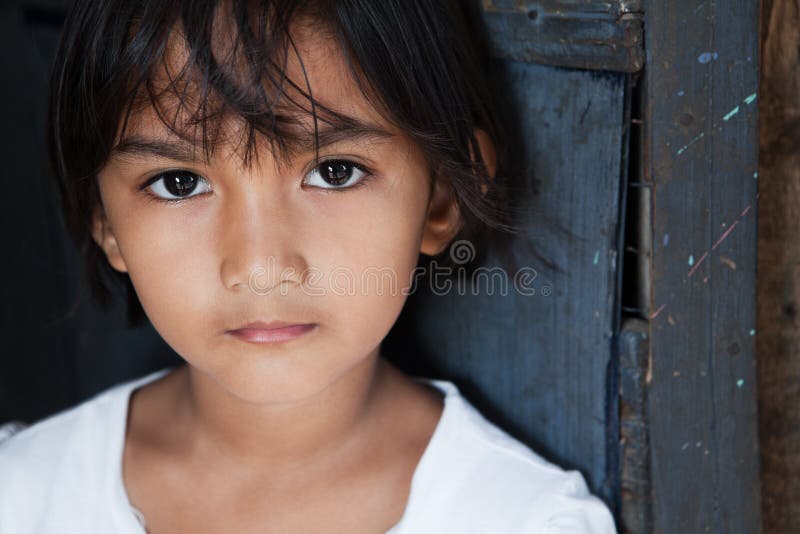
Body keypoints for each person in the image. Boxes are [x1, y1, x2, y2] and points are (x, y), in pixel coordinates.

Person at [0, 1, 617, 532]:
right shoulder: (24, 497)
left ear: (442, 197)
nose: (263, 267)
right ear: (104, 221)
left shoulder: (526, 522)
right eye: (180, 182)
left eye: (334, 172)